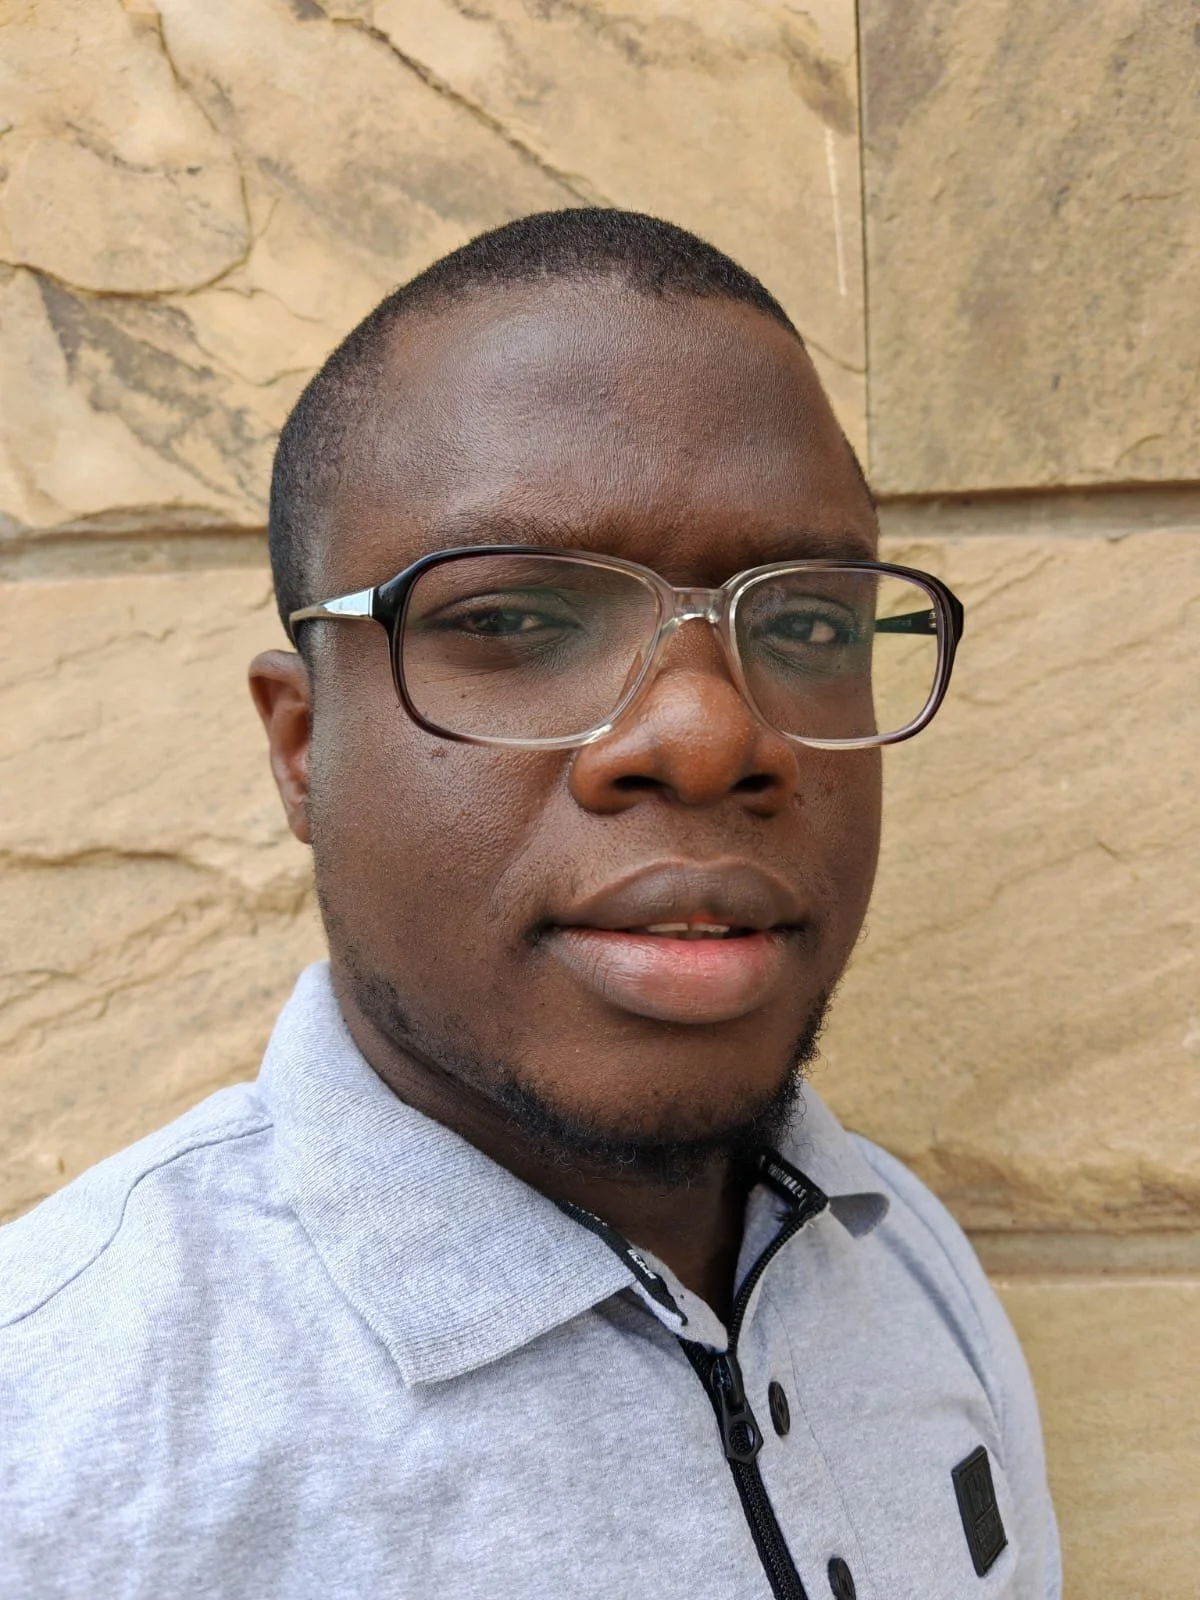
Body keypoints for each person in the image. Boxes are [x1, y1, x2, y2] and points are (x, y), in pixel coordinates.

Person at [0, 210, 1059, 1599]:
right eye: (510, 619)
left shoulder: (903, 1257)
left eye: (805, 624)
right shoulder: (60, 1442)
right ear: (302, 744)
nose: (702, 733)